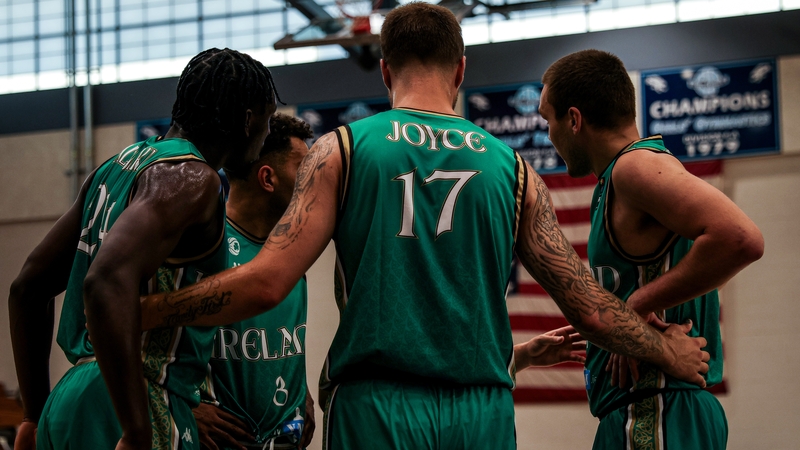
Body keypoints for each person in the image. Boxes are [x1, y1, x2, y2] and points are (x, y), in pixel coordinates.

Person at [136, 4, 711, 449]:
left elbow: (265, 282)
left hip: (376, 405)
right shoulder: (514, 170)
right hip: (481, 410)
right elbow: (589, 307)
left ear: (384, 71)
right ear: (461, 69)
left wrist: (153, 310)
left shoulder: (341, 150)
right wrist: (667, 352)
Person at [8, 48, 278, 450]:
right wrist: (136, 430)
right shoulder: (191, 176)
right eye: (268, 119)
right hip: (130, 400)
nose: (268, 132)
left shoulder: (117, 166)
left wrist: (32, 412)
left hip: (69, 400)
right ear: (247, 119)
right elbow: (104, 282)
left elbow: (27, 288)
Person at [538, 49, 764, 449]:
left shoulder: (635, 167)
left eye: (547, 119)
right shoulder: (618, 177)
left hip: (655, 409)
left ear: (573, 120)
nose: (548, 134)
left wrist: (637, 303)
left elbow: (741, 238)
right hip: (643, 407)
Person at [193, 113, 316, 450]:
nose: (313, 181)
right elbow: (149, 343)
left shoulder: (294, 249)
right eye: (303, 170)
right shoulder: (200, 247)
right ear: (267, 178)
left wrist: (300, 392)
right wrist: (187, 406)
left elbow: (286, 338)